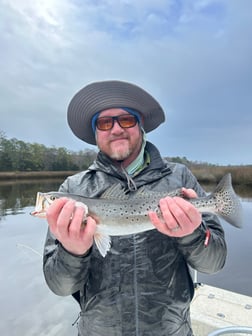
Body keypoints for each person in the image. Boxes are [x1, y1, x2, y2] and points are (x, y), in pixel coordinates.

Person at [43, 80, 227, 336]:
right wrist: (72, 252)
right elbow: (60, 286)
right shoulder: (73, 189)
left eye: (126, 120)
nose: (116, 129)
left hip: (171, 330)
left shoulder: (180, 177)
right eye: (105, 123)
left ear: (141, 127)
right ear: (95, 133)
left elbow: (214, 263)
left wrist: (192, 234)